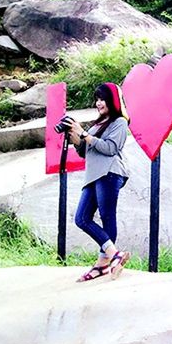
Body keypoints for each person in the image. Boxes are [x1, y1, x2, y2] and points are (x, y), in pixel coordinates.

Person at [65, 82, 132, 282]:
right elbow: (88, 151)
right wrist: (76, 138)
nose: (98, 103)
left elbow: (110, 148)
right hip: (94, 175)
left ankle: (102, 264)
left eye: (102, 99)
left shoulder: (119, 122)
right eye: (97, 99)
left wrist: (84, 134)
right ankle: (114, 256)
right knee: (81, 218)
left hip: (110, 173)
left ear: (112, 100)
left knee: (106, 215)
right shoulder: (97, 124)